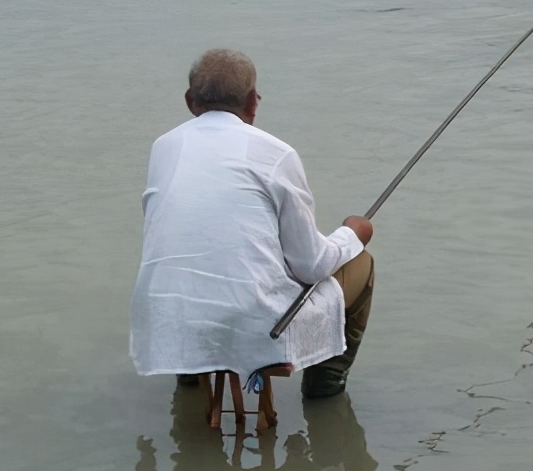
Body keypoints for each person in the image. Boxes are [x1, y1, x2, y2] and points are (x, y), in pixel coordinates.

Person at [129, 48, 375, 399]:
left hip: (169, 322)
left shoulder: (163, 148)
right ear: (252, 102)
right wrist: (353, 233)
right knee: (361, 264)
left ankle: (189, 376)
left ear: (189, 101)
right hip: (260, 330)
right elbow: (311, 266)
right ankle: (325, 387)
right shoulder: (277, 154)